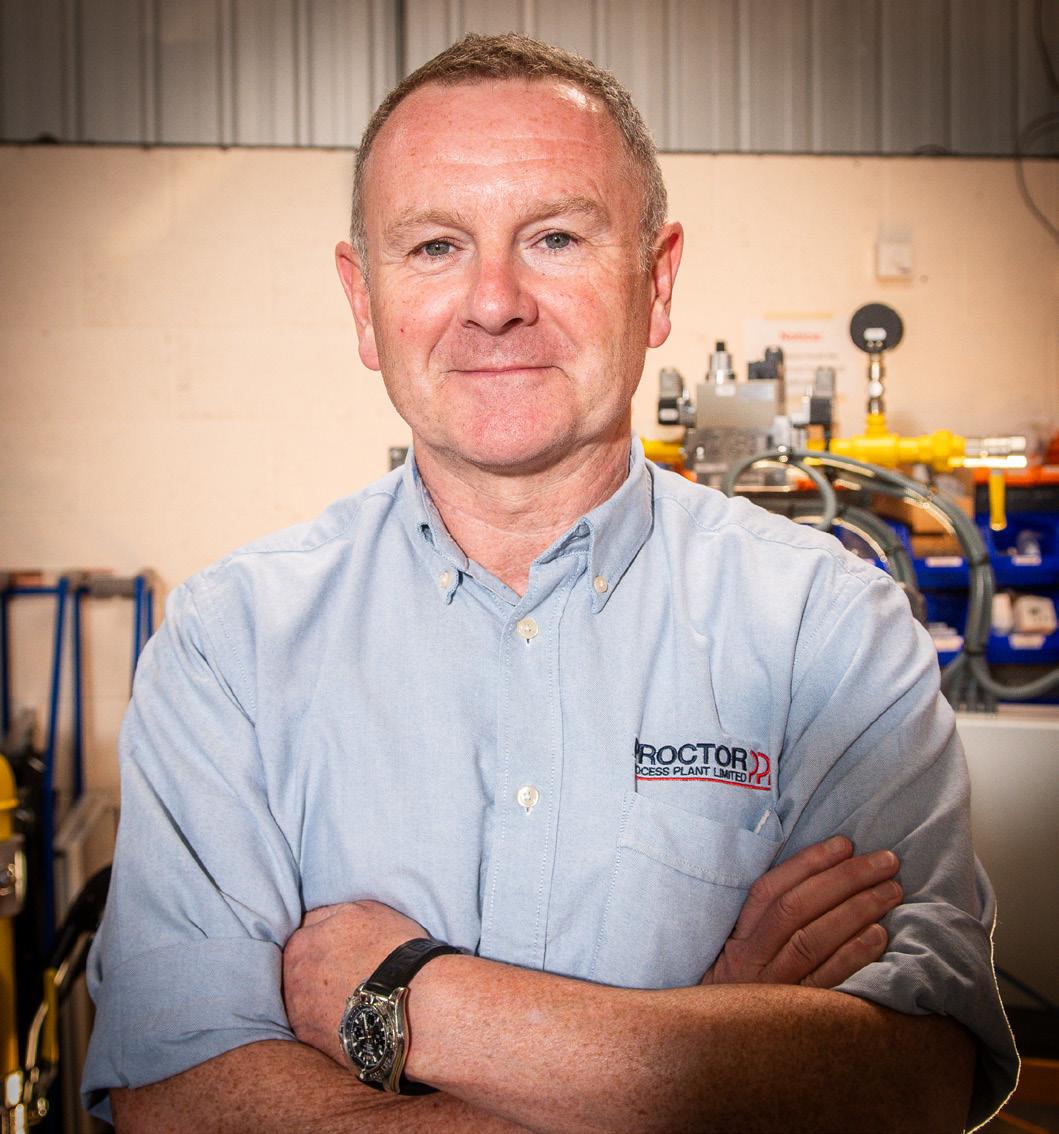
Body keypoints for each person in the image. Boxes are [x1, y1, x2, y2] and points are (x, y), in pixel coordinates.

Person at [83, 33, 1017, 1133]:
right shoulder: (230, 645)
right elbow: (173, 1100)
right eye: (435, 245)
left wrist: (411, 1002)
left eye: (556, 238)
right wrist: (710, 1049)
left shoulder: (827, 630)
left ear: (655, 282)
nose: (494, 302)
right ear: (362, 299)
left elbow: (912, 1077)